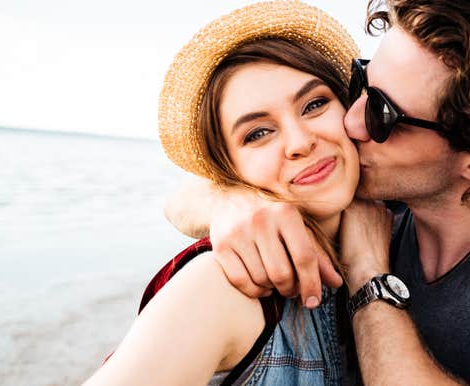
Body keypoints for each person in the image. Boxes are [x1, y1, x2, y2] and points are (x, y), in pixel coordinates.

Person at [167, 0, 470, 385]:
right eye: (360, 83)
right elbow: (179, 197)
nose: (350, 119)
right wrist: (234, 202)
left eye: (382, 114)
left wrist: (368, 274)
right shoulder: (361, 188)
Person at [84, 1, 366, 385]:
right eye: (258, 133)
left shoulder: (403, 223)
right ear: (230, 170)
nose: (300, 142)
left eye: (314, 104)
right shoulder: (220, 285)